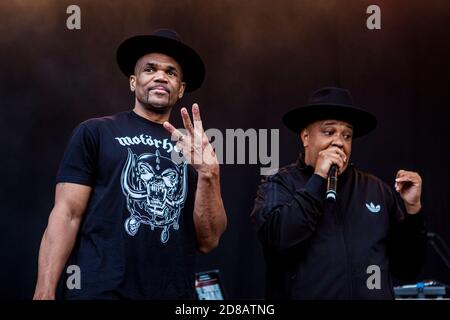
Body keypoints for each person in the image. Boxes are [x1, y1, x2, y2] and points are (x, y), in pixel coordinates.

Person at [33, 29, 227, 300]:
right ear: (133, 82)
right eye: (150, 69)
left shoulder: (196, 149)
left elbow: (209, 241)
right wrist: (44, 290)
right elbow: (66, 215)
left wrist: (209, 174)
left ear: (181, 88)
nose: (161, 76)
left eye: (171, 72)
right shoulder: (95, 132)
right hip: (101, 292)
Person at [251, 87, 426, 299]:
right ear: (306, 137)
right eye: (328, 132)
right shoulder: (279, 183)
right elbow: (279, 240)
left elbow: (407, 268)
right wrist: (318, 179)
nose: (339, 142)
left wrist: (413, 210)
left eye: (347, 135)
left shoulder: (375, 189)